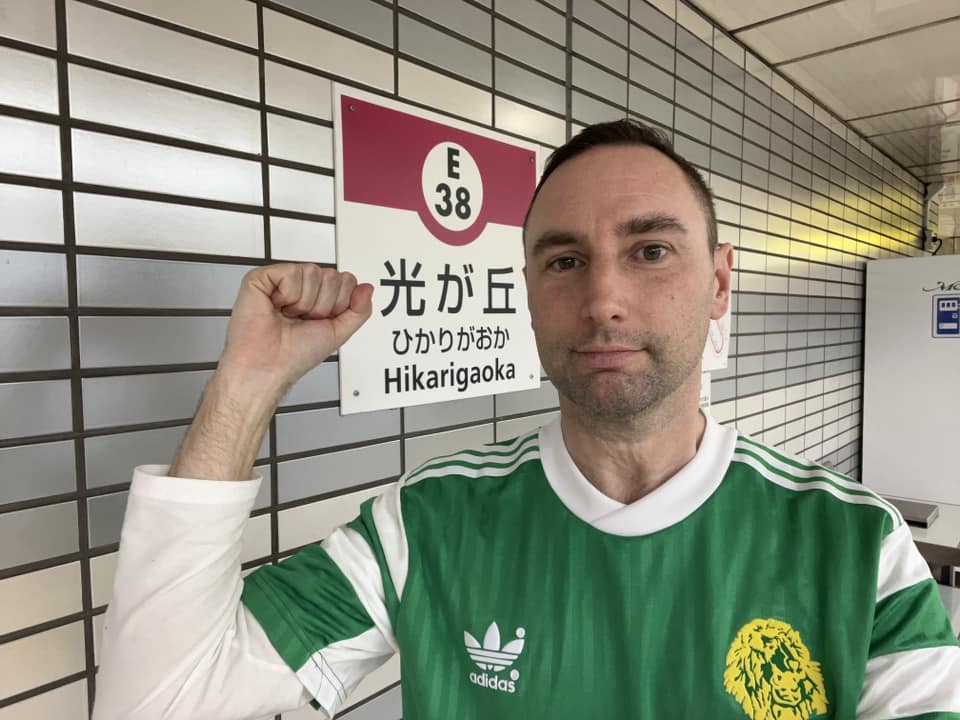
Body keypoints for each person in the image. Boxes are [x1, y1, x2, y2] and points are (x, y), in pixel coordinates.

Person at [93, 120, 959, 720]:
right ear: (531, 294)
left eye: (651, 251)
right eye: (565, 261)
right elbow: (159, 698)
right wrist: (247, 386)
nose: (604, 298)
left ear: (720, 282)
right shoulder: (430, 523)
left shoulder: (855, 545)